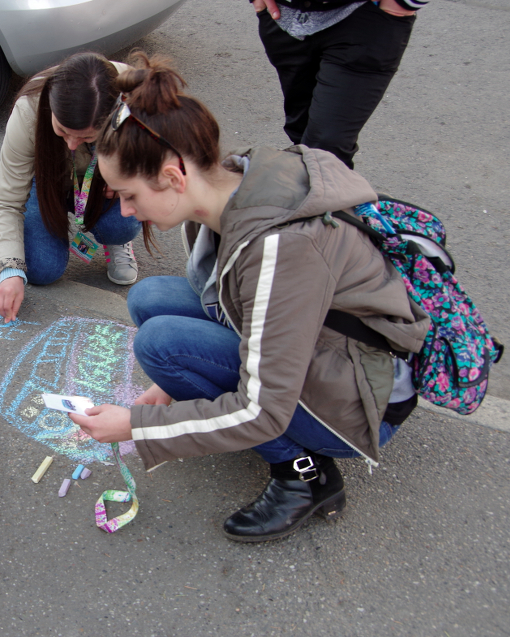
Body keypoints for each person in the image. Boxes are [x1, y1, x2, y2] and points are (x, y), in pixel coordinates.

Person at [69, 55, 430, 542]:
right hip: (325, 347)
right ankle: (247, 420)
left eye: (129, 195)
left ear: (174, 177)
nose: (128, 212)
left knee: (161, 344)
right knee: (150, 298)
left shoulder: (280, 249)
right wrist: (173, 389)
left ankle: (304, 476)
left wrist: (139, 425)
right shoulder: (230, 179)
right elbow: (235, 294)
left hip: (359, 399)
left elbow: (264, 410)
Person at [0, 52, 143, 324]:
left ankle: (116, 240)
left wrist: (128, 180)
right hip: (47, 182)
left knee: (122, 224)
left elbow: (159, 163)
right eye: (62, 130)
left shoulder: (137, 98)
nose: (71, 143)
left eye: (86, 137)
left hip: (99, 185)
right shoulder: (28, 110)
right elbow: (8, 201)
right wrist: (10, 271)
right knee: (41, 269)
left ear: (114, 115)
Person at [252, 0, 424, 168]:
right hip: (285, 18)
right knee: (301, 133)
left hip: (364, 19)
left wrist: (403, 3)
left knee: (326, 146)